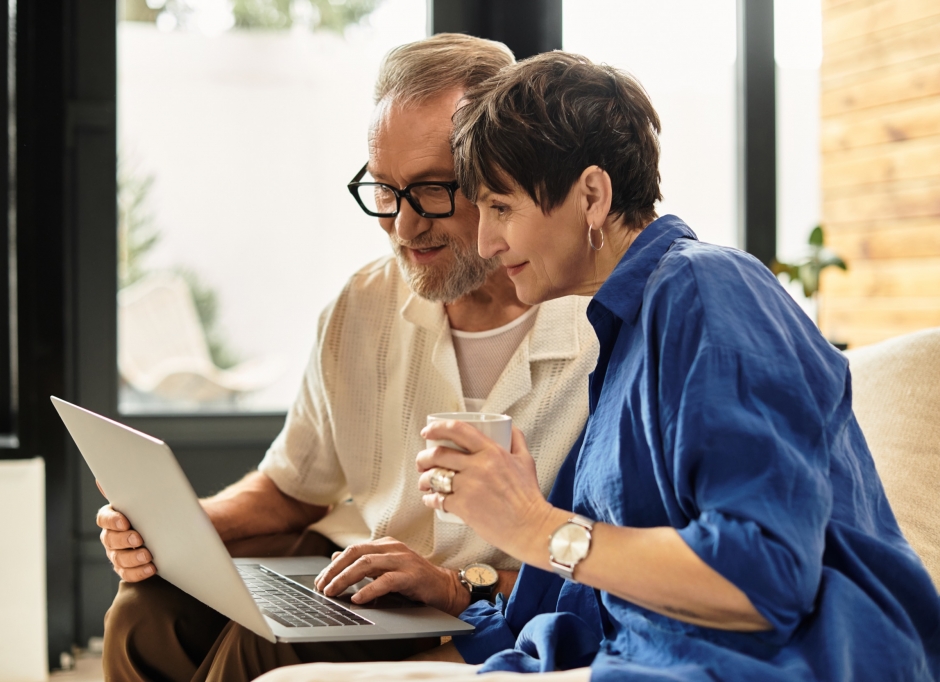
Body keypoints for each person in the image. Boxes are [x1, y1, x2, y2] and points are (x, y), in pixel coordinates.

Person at [265, 52, 940, 681]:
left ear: (591, 196)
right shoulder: (623, 337)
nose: (485, 240)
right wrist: (462, 579)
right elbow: (597, 597)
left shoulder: (709, 290)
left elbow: (762, 578)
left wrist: (533, 523)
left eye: (501, 207)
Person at [96, 36, 599, 681]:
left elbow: (595, 565)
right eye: (384, 190)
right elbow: (290, 487)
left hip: (486, 605)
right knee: (145, 613)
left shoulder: (595, 328)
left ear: (504, 174)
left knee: (268, 650)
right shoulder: (363, 304)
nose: (402, 227)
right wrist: (180, 526)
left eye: (433, 191)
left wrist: (450, 581)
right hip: (361, 576)